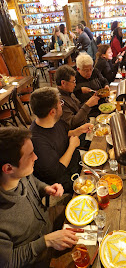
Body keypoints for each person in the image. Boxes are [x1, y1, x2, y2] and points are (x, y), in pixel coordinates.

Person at [0, 127, 78, 268]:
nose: (36, 157)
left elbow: (33, 181)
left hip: (48, 220)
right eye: (30, 155)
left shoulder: (19, 174)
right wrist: (46, 241)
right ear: (8, 168)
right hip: (38, 258)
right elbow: (8, 262)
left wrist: (45, 188)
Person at [30, 87, 93, 193]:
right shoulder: (37, 141)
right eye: (60, 103)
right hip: (63, 179)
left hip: (75, 160)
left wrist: (79, 130)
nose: (62, 105)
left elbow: (63, 134)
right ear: (52, 112)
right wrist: (72, 146)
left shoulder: (55, 120)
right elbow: (57, 171)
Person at [55, 64, 99, 129]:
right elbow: (72, 123)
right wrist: (87, 105)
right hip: (77, 132)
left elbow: (78, 109)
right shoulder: (59, 101)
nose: (75, 85)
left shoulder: (68, 92)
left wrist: (90, 102)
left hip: (84, 122)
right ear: (63, 83)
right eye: (73, 82)